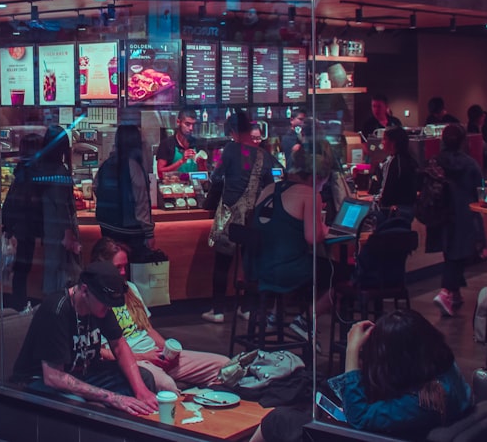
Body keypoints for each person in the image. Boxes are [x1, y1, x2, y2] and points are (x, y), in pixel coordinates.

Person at [250, 309, 472, 442]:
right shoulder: (443, 366)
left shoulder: (424, 402)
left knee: (278, 419)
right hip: (402, 430)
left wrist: (352, 351)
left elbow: (359, 420)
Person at [11, 260, 159, 416]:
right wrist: (113, 398)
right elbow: (53, 377)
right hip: (38, 380)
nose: (109, 308)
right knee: (78, 405)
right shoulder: (56, 309)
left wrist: (141, 390)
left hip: (85, 373)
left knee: (144, 378)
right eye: (105, 303)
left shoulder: (100, 308)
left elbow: (119, 346)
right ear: (85, 291)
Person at [91, 238, 229, 393]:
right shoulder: (95, 300)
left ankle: (209, 402)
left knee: (224, 366)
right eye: (118, 267)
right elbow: (104, 353)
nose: (123, 272)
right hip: (136, 361)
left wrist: (168, 352)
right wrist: (144, 357)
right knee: (166, 385)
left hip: (155, 354)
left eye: (125, 266)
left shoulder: (130, 288)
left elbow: (148, 329)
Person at [250, 142, 337, 341]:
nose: (321, 187)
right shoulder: (310, 194)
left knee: (296, 259)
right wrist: (325, 229)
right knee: (337, 275)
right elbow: (312, 237)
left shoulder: (270, 189)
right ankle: (307, 320)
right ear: (315, 178)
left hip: (258, 269)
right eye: (322, 183)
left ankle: (275, 315)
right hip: (284, 272)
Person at [202, 110, 278, 323]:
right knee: (249, 263)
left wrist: (208, 200)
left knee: (222, 264)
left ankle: (217, 311)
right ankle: (246, 308)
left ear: (234, 131)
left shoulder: (230, 150)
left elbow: (217, 179)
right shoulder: (262, 154)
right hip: (252, 217)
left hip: (229, 214)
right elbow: (271, 187)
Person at [428, 125, 484, 317]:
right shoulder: (471, 164)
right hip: (464, 214)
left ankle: (455, 294)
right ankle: (446, 292)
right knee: (457, 255)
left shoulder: (435, 161)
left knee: (449, 252)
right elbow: (479, 190)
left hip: (440, 213)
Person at [94, 124, 154, 259]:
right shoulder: (134, 166)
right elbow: (141, 202)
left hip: (107, 227)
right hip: (130, 230)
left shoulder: (107, 164)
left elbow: (96, 187)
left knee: (112, 267)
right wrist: (149, 233)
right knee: (132, 270)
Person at [36, 125, 82, 298]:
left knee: (52, 267)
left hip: (47, 225)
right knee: (60, 269)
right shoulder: (59, 171)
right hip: (58, 228)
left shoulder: (41, 167)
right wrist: (68, 233)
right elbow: (62, 205)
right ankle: (57, 304)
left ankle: (52, 302)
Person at [1, 133, 44, 313]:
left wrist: (8, 225)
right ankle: (19, 303)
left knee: (21, 266)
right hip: (27, 223)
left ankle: (18, 302)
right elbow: (31, 200)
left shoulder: (21, 168)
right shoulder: (34, 169)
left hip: (19, 223)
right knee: (22, 266)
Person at [372, 126, 418, 221]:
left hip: (393, 212)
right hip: (409, 211)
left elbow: (386, 193)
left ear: (393, 143)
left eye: (385, 139)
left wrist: (374, 201)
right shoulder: (411, 160)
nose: (382, 142)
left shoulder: (393, 162)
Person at [155, 109, 206, 175]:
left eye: (193, 125)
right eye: (187, 124)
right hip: (174, 184)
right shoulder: (166, 144)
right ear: (178, 122)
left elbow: (204, 175)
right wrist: (181, 161)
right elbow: (160, 173)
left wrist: (201, 164)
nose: (191, 128)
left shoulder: (197, 143)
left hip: (195, 184)